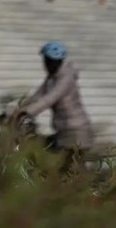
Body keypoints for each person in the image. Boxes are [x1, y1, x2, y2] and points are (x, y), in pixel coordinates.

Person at [19, 41, 93, 169]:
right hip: (63, 131)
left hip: (76, 133)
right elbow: (38, 95)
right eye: (46, 61)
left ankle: (86, 187)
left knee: (70, 170)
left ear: (58, 61)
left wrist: (28, 112)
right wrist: (18, 108)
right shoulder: (52, 77)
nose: (46, 65)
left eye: (49, 61)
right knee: (40, 148)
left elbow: (50, 98)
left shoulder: (66, 79)